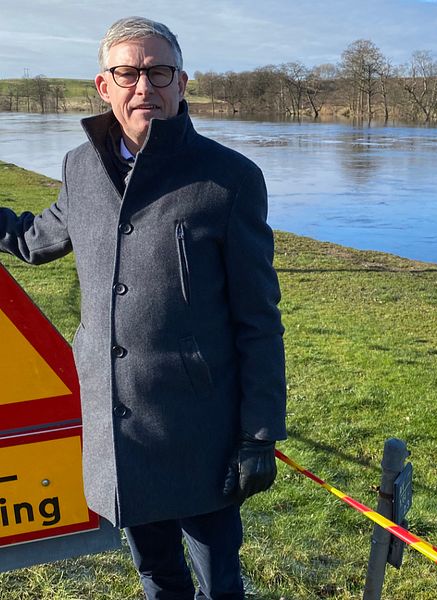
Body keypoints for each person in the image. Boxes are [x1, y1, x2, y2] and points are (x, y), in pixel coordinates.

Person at [0, 16, 286, 600]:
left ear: (182, 83)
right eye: (127, 73)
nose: (143, 86)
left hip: (199, 429)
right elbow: (37, 240)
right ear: (103, 86)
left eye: (158, 72)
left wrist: (259, 435)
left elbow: (259, 321)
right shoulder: (81, 168)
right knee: (156, 576)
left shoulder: (229, 180)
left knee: (220, 585)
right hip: (117, 426)